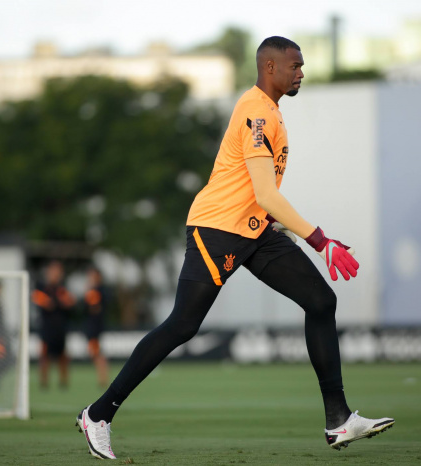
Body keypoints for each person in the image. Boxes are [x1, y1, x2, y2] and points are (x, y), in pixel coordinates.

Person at [76, 36, 393, 460]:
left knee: (320, 301)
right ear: (269, 67)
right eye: (294, 65)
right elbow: (265, 192)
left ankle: (338, 420)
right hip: (217, 230)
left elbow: (256, 196)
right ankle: (98, 415)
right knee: (183, 325)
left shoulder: (271, 112)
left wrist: (287, 229)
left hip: (255, 231)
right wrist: (320, 240)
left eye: (301, 66)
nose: (301, 72)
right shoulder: (257, 113)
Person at [32, 260, 75, 389]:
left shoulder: (62, 289)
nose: (56, 274)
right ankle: (44, 382)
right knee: (44, 355)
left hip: (60, 327)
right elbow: (43, 302)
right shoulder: (41, 287)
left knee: (63, 355)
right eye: (53, 271)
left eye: (58, 271)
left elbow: (70, 303)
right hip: (47, 327)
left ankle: (63, 382)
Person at [82, 266, 109, 387]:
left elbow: (94, 308)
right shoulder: (97, 290)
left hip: (95, 326)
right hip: (92, 325)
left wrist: (89, 291)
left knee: (96, 352)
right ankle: (102, 377)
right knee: (94, 352)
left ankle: (103, 378)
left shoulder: (96, 291)